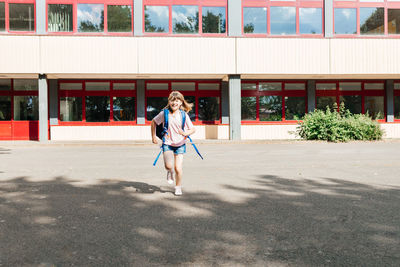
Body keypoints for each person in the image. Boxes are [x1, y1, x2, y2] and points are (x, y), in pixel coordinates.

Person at [151, 91, 196, 196]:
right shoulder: (164, 113)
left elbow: (192, 129)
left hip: (180, 144)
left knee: (178, 168)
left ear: (181, 102)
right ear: (169, 102)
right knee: (168, 165)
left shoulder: (184, 115)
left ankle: (178, 187)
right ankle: (169, 172)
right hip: (167, 142)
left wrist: (185, 133)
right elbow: (153, 122)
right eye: (172, 100)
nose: (175, 102)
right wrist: (153, 136)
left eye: (177, 100)